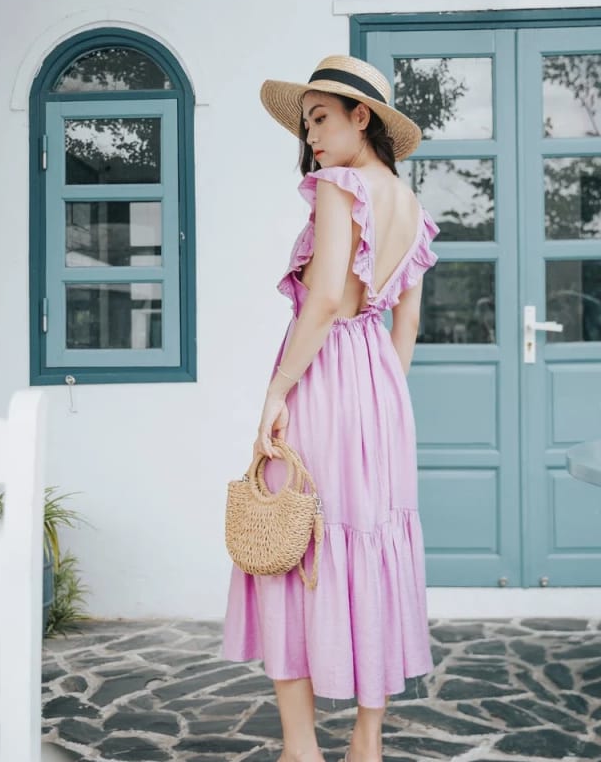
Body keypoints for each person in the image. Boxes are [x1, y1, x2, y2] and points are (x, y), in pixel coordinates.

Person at [222, 55, 439, 762]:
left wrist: (276, 394)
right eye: (306, 122)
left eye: (320, 118)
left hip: (323, 376)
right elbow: (405, 325)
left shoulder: (338, 188)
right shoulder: (411, 210)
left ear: (361, 117)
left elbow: (319, 303)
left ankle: (301, 747)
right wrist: (380, 400)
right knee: (369, 544)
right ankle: (366, 743)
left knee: (292, 544)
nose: (310, 135)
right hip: (379, 384)